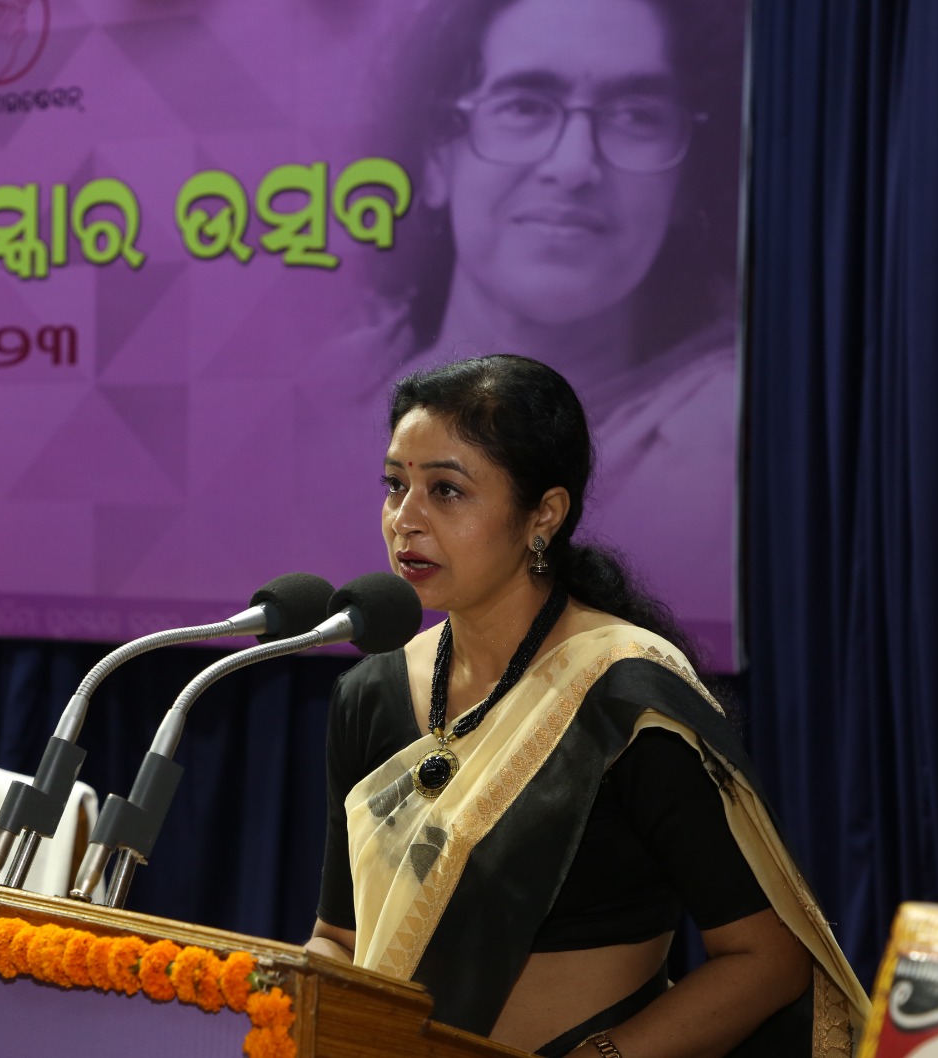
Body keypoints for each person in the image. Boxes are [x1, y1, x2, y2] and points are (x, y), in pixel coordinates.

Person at [306, 356, 868, 1057]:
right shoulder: (370, 694)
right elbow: (340, 940)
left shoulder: (623, 697)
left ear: (544, 514)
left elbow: (768, 959)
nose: (405, 520)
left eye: (446, 490)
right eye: (396, 485)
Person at [322, 0, 746, 667]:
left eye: (636, 116)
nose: (574, 166)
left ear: (686, 184)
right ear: (438, 156)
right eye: (523, 106)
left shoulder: (720, 446)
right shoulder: (323, 399)